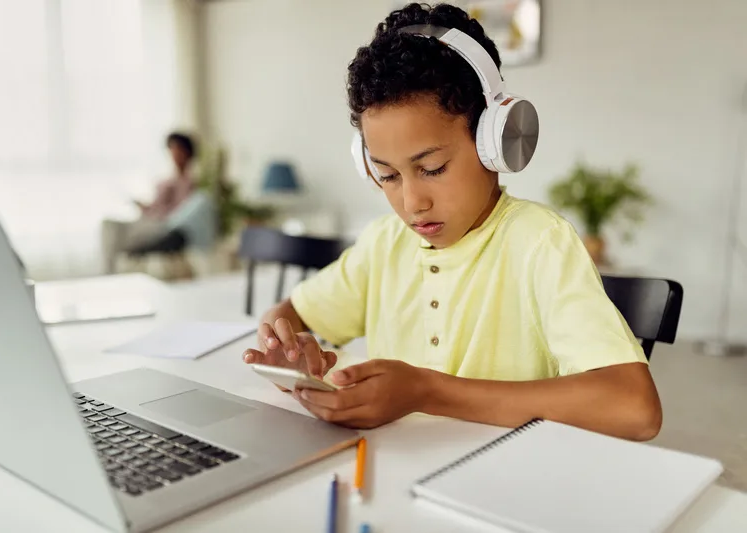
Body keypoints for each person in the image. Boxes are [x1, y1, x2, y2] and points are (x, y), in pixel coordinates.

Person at [242, 3, 662, 441]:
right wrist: (287, 349)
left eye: (433, 168)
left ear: (495, 141)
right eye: (386, 175)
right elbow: (293, 312)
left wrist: (427, 391)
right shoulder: (384, 244)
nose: (412, 202)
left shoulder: (539, 243)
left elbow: (635, 408)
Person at [101, 132, 198, 274]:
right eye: (171, 149)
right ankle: (108, 273)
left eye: (177, 149)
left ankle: (112, 276)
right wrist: (143, 206)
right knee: (108, 225)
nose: (173, 153)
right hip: (147, 220)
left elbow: (181, 212)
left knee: (117, 238)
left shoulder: (189, 182)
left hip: (161, 225)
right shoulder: (165, 180)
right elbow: (154, 207)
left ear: (187, 153)